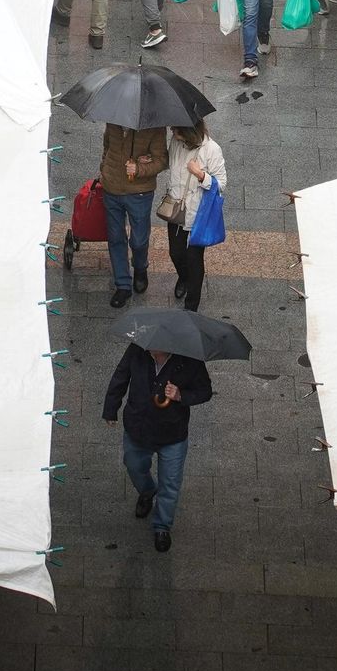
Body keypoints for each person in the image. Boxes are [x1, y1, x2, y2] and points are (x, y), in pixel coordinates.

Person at [103, 343, 213, 552]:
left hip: (172, 434)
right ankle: (147, 491)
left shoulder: (190, 360)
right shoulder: (138, 349)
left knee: (170, 483)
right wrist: (111, 409)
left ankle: (162, 526)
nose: (150, 348)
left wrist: (181, 396)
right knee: (134, 465)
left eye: (156, 346)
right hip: (138, 427)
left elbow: (205, 391)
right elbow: (121, 375)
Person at [100, 123, 168, 308]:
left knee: (138, 239)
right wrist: (104, 170)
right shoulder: (113, 119)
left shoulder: (155, 126)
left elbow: (162, 160)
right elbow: (107, 147)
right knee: (115, 238)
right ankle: (122, 284)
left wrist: (139, 169)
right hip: (111, 189)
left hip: (140, 192)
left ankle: (140, 267)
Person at [163, 120, 228, 311]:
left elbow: (221, 183)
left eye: (176, 129)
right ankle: (184, 278)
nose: (172, 131)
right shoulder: (176, 142)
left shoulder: (212, 149)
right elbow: (169, 162)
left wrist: (201, 175)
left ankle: (191, 306)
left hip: (198, 214)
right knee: (175, 253)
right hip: (176, 208)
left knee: (194, 259)